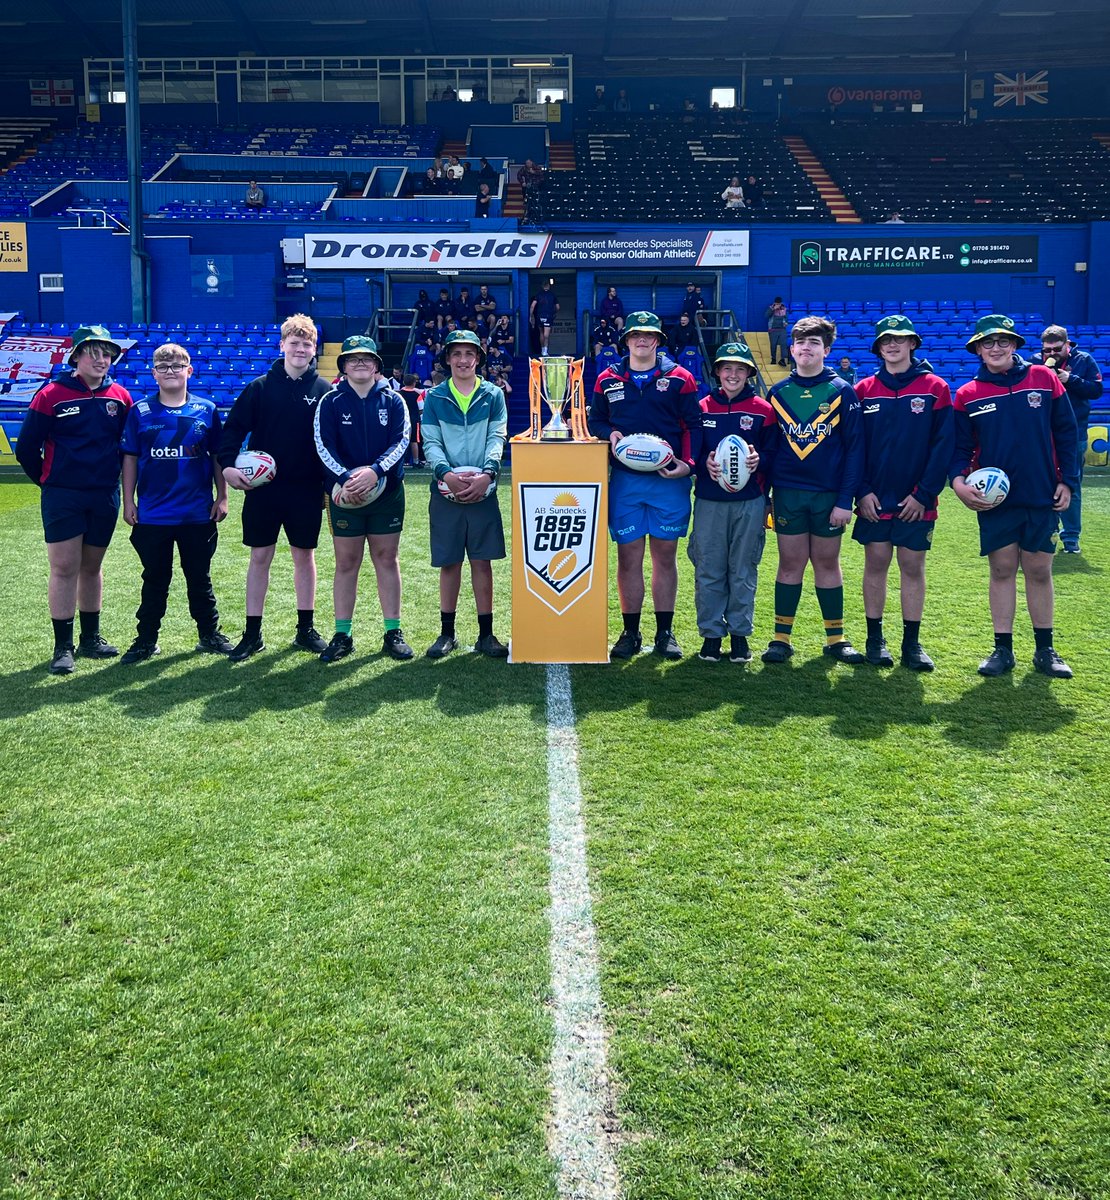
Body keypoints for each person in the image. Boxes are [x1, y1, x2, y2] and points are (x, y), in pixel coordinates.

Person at [950, 315, 1078, 678]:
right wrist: (958, 483)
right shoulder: (968, 395)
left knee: (1039, 570)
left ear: (1015, 345)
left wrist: (1067, 481)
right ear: (977, 349)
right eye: (987, 343)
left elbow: (1066, 432)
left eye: (1002, 341)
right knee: (1002, 569)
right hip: (995, 501)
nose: (995, 348)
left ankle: (1045, 650)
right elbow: (960, 449)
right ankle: (1002, 650)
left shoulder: (1044, 378)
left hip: (1041, 494)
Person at [16, 324, 132, 674]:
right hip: (63, 496)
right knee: (64, 568)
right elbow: (25, 449)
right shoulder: (50, 394)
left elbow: (127, 449)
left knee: (92, 567)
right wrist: (51, 483)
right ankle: (62, 647)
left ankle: (90, 639)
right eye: (93, 352)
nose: (101, 359)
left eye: (106, 352)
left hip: (104, 495)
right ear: (76, 356)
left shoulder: (121, 397)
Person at [588, 311, 702, 660]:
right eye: (636, 335)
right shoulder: (607, 378)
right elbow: (596, 420)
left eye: (649, 335)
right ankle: (631, 631)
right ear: (626, 340)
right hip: (625, 482)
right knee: (628, 557)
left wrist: (688, 465)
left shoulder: (681, 378)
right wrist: (609, 434)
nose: (642, 340)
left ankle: (665, 632)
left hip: (668, 481)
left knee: (665, 556)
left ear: (658, 341)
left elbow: (693, 426)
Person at [218, 313, 331, 662]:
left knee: (304, 557)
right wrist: (227, 467)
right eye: (294, 343)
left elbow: (332, 443)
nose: (300, 349)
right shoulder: (259, 388)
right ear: (282, 345)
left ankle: (305, 629)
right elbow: (232, 431)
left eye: (306, 344)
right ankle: (252, 633)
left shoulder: (324, 391)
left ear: (315, 349)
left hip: (306, 490)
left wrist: (330, 486)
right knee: (259, 557)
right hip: (263, 491)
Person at [852, 315, 954, 671]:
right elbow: (855, 447)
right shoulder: (863, 390)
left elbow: (943, 447)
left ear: (913, 343)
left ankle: (912, 643)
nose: (892, 345)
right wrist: (861, 491)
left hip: (916, 501)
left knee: (912, 566)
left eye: (900, 339)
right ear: (878, 348)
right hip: (874, 500)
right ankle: (874, 639)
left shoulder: (935, 387)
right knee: (876, 563)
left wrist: (924, 495)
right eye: (885, 341)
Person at [762, 315, 865, 665]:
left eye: (815, 343)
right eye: (801, 342)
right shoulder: (777, 393)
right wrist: (766, 498)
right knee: (789, 563)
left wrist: (844, 500)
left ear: (827, 349)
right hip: (788, 493)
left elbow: (855, 451)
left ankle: (836, 638)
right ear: (791, 348)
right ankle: (780, 638)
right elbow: (770, 450)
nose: (807, 347)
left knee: (826, 563)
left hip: (828, 496)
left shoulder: (841, 391)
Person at [118, 343, 231, 663]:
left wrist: (222, 496)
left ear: (189, 371)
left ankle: (209, 635)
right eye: (163, 367)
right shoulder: (139, 411)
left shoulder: (207, 410)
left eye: (177, 366)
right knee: (155, 579)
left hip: (197, 513)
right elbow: (130, 458)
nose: (170, 371)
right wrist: (129, 501)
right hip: (153, 515)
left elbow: (217, 457)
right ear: (153, 373)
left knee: (200, 578)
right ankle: (145, 640)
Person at [313, 336, 413, 664]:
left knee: (386, 558)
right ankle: (342, 634)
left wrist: (375, 472)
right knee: (346, 563)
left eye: (366, 359)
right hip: (344, 495)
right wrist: (345, 479)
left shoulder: (394, 400)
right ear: (343, 365)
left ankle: (393, 632)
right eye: (353, 359)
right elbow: (322, 444)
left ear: (376, 366)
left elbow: (402, 441)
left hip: (386, 493)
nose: (360, 363)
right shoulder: (330, 401)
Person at [421, 329, 509, 658]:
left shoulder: (493, 395)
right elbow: (431, 441)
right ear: (447, 359)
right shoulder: (435, 397)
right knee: (450, 563)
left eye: (469, 354)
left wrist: (487, 474)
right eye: (456, 354)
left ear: (478, 358)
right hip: (447, 492)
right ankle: (447, 634)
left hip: (483, 490)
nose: (462, 360)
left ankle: (487, 635)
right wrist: (446, 474)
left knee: (482, 562)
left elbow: (497, 437)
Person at [690, 342, 774, 663]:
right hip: (710, 501)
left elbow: (774, 455)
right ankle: (711, 635)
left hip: (749, 502)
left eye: (740, 369)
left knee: (742, 569)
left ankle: (739, 635)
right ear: (717, 372)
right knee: (709, 568)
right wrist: (703, 465)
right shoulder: (702, 408)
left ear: (749, 373)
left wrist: (758, 460)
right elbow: (692, 451)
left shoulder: (762, 410)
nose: (733, 374)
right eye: (727, 368)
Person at [1031, 324, 1103, 554]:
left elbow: (1096, 390)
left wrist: (1070, 379)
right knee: (1041, 483)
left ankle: (1071, 537)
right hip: (1043, 433)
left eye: (1056, 349)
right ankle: (1045, 530)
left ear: (1067, 344)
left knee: (1071, 485)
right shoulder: (1034, 361)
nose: (1051, 354)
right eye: (1047, 350)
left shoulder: (1084, 360)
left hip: (1075, 433)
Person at [529, 279, 559, 357]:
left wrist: (531, 315)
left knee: (541, 333)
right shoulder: (552, 295)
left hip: (539, 316)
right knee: (546, 335)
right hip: (548, 315)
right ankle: (545, 351)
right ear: (549, 286)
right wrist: (554, 313)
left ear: (542, 286)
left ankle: (543, 350)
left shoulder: (538, 295)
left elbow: (532, 306)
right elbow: (558, 307)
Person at [400, 373, 423, 467]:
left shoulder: (398, 394)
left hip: (401, 420)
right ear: (414, 383)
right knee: (414, 441)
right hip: (414, 420)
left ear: (404, 382)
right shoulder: (417, 395)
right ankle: (416, 461)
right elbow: (421, 408)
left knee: (400, 441)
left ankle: (400, 462)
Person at [766, 297, 789, 367]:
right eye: (777, 303)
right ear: (775, 303)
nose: (778, 305)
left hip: (782, 329)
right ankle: (773, 358)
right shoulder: (771, 308)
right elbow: (766, 316)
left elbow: (786, 318)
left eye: (779, 303)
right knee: (773, 345)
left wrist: (786, 322)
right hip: (773, 330)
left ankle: (782, 359)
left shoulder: (784, 308)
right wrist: (773, 309)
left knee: (783, 344)